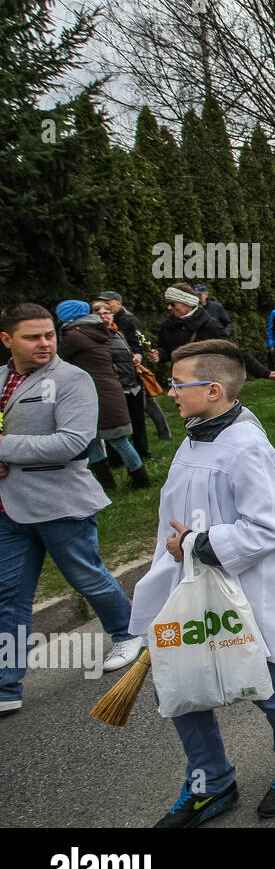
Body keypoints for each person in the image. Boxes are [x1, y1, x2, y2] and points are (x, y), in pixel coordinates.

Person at [132, 340, 275, 827]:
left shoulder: (246, 447)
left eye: (180, 384)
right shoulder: (195, 434)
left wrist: (198, 543)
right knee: (178, 678)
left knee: (261, 676)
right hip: (189, 583)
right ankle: (210, 780)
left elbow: (269, 526)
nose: (171, 393)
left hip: (241, 585)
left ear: (215, 389)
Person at [0, 303, 144, 715]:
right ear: (7, 340)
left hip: (60, 503)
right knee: (8, 596)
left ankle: (127, 633)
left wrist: (4, 448)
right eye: (32, 337)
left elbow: (73, 442)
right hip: (7, 507)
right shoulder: (1, 379)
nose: (44, 343)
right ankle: (7, 683)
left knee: (87, 577)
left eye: (49, 335)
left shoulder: (71, 379)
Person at [55, 300, 148, 491]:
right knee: (97, 438)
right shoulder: (96, 329)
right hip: (106, 389)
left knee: (113, 440)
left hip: (94, 392)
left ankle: (137, 480)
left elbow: (58, 359)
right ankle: (125, 481)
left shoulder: (74, 335)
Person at [154, 284, 275, 383]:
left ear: (187, 303)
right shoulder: (168, 325)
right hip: (182, 381)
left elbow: (233, 351)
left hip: (206, 381)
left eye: (173, 304)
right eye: (167, 304)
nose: (169, 308)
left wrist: (264, 372)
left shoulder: (209, 325)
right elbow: (167, 349)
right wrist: (159, 354)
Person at [99, 290, 172, 443]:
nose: (106, 305)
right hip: (120, 368)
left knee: (148, 403)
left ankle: (164, 434)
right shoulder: (104, 319)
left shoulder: (129, 320)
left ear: (118, 303)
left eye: (109, 302)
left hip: (135, 367)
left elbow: (140, 341)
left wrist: (138, 355)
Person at [91, 299, 153, 471]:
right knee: (115, 427)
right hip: (115, 388)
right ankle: (116, 461)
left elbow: (130, 350)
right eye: (99, 314)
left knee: (138, 421)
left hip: (132, 383)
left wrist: (137, 356)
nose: (104, 317)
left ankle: (143, 452)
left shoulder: (118, 333)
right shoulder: (97, 337)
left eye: (107, 313)